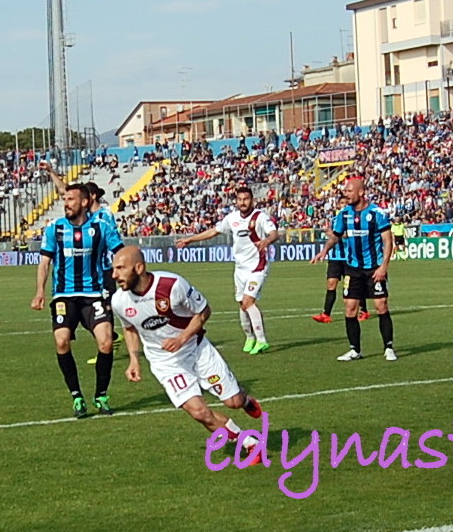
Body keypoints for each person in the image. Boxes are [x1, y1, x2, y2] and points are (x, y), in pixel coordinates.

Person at [110, 246, 264, 461]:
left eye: (120, 268)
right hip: (165, 363)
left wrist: (181, 339)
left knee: (233, 402)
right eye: (113, 269)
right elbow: (129, 328)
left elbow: (204, 311)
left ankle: (245, 399)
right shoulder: (119, 301)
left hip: (197, 349)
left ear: (139, 267)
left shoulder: (172, 285)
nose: (114, 275)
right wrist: (134, 360)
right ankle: (249, 443)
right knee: (199, 412)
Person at [31, 182, 125, 418]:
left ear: (84, 202)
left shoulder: (102, 226)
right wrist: (40, 291)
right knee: (61, 341)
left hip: (94, 293)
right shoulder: (55, 229)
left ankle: (101, 395)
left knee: (105, 343)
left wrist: (128, 278)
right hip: (64, 295)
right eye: (65, 200)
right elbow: (44, 262)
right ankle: (76, 397)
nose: (66, 204)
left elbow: (120, 254)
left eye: (71, 199)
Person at [175, 186, 281, 354]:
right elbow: (213, 231)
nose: (243, 202)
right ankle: (250, 338)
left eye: (246, 199)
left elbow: (275, 233)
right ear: (236, 201)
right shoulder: (232, 218)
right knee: (241, 304)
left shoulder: (260, 217)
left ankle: (262, 341)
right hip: (240, 268)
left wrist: (267, 241)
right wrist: (190, 240)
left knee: (248, 302)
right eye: (240, 199)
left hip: (257, 266)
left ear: (252, 200)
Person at [312, 175, 396, 362]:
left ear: (361, 192)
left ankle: (388, 347)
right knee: (350, 308)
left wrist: (384, 266)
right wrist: (324, 250)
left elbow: (388, 241)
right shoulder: (344, 214)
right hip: (353, 268)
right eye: (345, 191)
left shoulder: (377, 214)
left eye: (349, 191)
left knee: (380, 306)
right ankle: (354, 349)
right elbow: (335, 235)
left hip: (374, 268)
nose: (346, 194)